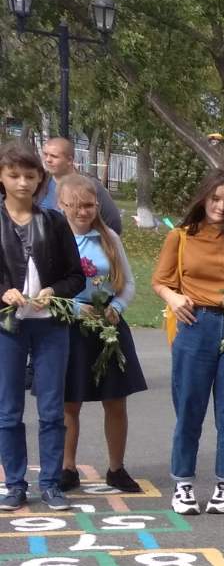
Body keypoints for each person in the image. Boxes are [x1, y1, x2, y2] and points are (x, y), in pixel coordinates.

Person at [151, 168, 224, 516]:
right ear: (204, 198)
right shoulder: (181, 237)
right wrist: (173, 298)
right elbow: (160, 281)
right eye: (215, 198)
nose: (221, 207)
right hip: (194, 324)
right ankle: (183, 483)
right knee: (189, 410)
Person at [0, 142, 85, 512]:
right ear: (2, 178)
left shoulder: (53, 221)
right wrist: (4, 292)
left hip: (50, 326)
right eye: (14, 175)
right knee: (8, 410)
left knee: (51, 409)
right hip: (8, 326)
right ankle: (15, 484)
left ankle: (51, 483)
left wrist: (54, 290)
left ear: (40, 180)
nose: (22, 183)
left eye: (30, 176)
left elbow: (76, 277)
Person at [56, 174, 144, 493]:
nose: (83, 211)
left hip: (108, 323)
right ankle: (67, 468)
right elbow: (45, 289)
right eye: (76, 205)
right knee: (70, 402)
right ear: (61, 205)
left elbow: (128, 282)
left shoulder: (109, 238)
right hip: (71, 324)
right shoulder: (56, 239)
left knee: (115, 400)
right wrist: (73, 309)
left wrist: (117, 306)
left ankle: (116, 468)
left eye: (89, 205)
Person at [40, 137, 123, 235]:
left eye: (54, 156)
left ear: (69, 160)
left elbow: (113, 223)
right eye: (45, 154)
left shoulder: (91, 185)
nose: (48, 160)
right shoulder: (40, 183)